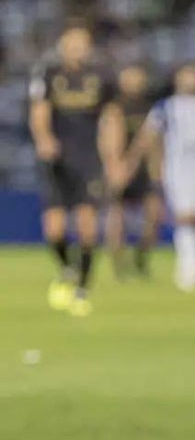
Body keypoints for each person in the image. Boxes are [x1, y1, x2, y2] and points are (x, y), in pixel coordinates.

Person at [28, 25, 124, 317]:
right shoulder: (49, 74)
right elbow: (39, 112)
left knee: (86, 224)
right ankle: (67, 268)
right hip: (57, 160)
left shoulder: (102, 78)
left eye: (82, 44)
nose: (77, 49)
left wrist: (114, 159)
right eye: (72, 43)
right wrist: (44, 140)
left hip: (88, 159)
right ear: (62, 44)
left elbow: (112, 119)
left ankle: (82, 289)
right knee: (54, 228)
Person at [120, 63, 195, 292]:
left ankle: (191, 264)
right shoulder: (166, 107)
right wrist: (136, 161)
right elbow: (148, 135)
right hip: (177, 168)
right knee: (183, 216)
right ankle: (190, 267)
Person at [106, 64, 163, 278]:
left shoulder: (150, 108)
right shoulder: (116, 107)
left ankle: (141, 258)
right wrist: (116, 167)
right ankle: (119, 265)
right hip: (121, 167)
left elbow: (155, 141)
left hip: (144, 171)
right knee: (117, 218)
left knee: (154, 215)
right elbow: (109, 140)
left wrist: (157, 168)